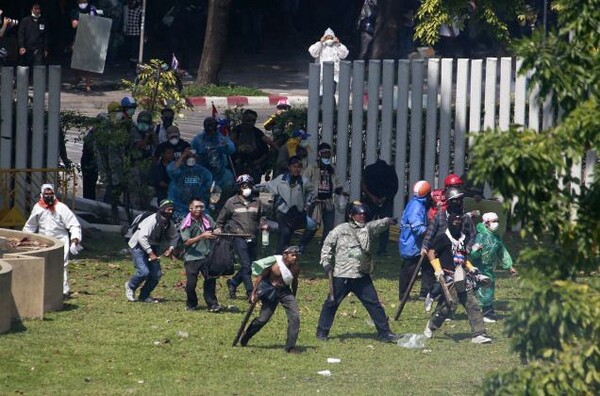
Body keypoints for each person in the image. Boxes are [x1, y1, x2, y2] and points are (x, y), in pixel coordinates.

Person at [316, 201, 400, 343]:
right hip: (342, 275)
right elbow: (327, 245)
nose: (362, 216)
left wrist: (388, 221)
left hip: (361, 275)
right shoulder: (340, 230)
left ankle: (385, 333)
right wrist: (326, 263)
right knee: (331, 303)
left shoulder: (367, 229)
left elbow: (376, 224)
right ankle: (322, 332)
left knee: (374, 304)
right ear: (351, 215)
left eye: (363, 214)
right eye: (359, 214)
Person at [423, 213, 492, 344]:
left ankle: (479, 334)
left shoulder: (463, 239)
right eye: (454, 220)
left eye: (459, 221)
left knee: (472, 303)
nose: (457, 223)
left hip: (462, 276)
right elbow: (431, 251)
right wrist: (437, 268)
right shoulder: (443, 238)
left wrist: (471, 268)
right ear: (449, 221)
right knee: (449, 306)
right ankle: (431, 325)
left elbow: (463, 258)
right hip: (449, 278)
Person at [23, 183, 82, 297]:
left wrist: (75, 239)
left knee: (61, 264)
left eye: (51, 194)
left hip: (60, 239)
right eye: (46, 194)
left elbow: (74, 224)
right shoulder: (38, 208)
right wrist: (24, 239)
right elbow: (30, 226)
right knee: (44, 264)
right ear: (42, 194)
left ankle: (63, 291)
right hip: (43, 241)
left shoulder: (61, 208)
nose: (48, 196)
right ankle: (45, 289)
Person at [240, 246, 301, 353]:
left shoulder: (295, 268)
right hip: (270, 290)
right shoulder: (275, 264)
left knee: (295, 317)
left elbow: (294, 281)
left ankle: (290, 346)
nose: (294, 258)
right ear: (285, 255)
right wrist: (254, 293)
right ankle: (247, 334)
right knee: (263, 319)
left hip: (285, 292)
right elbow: (261, 277)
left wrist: (293, 296)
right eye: (292, 255)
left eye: (296, 255)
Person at [421, 186, 476, 303]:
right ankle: (431, 296)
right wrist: (425, 247)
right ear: (450, 202)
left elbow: (472, 236)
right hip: (440, 253)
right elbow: (430, 234)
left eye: (461, 200)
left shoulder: (465, 218)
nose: (459, 203)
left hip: (457, 255)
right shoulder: (440, 216)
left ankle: (446, 307)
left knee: (455, 282)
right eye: (456, 200)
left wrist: (468, 248)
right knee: (440, 280)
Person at [215, 174, 263, 300]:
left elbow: (262, 218)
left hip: (253, 237)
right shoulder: (231, 202)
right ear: (239, 187)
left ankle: (234, 282)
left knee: (251, 265)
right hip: (238, 236)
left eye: (249, 185)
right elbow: (221, 220)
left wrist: (264, 225)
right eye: (243, 186)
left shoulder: (257, 202)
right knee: (246, 264)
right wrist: (218, 228)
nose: (246, 188)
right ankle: (250, 292)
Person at [125, 199, 178, 303]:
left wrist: (171, 248)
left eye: (172, 210)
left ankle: (144, 295)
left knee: (156, 275)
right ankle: (130, 286)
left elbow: (175, 236)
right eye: (168, 209)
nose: (170, 212)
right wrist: (151, 253)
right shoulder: (152, 220)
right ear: (162, 209)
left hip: (153, 246)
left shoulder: (169, 222)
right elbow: (141, 237)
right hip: (138, 245)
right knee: (143, 272)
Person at [469, 212, 517, 323]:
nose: (496, 223)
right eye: (493, 221)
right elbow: (471, 254)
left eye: (497, 221)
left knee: (487, 289)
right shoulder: (480, 236)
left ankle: (487, 313)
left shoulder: (496, 238)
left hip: (488, 268)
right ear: (486, 223)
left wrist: (509, 266)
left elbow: (502, 252)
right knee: (470, 290)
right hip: (476, 267)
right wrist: (477, 252)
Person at [179, 198, 223, 312]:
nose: (199, 209)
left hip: (207, 255)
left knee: (210, 280)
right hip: (192, 257)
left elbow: (215, 228)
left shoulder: (207, 218)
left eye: (201, 207)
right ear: (191, 208)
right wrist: (201, 236)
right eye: (197, 207)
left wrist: (217, 230)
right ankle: (191, 303)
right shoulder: (186, 222)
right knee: (191, 284)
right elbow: (187, 242)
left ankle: (212, 304)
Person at [264, 156, 315, 253]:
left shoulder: (304, 181)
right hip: (283, 212)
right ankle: (280, 256)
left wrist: (307, 203)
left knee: (312, 226)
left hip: (298, 212)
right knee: (285, 235)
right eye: (294, 166)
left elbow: (312, 192)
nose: (297, 169)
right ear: (289, 167)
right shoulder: (281, 179)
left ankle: (301, 246)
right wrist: (252, 187)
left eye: (299, 167)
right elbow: (267, 186)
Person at [302, 142, 343, 244]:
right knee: (312, 227)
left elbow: (337, 182)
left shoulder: (332, 168)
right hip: (316, 202)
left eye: (328, 153)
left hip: (328, 202)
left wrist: (339, 189)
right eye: (324, 153)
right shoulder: (313, 167)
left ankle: (325, 248)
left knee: (329, 228)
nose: (327, 155)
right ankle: (302, 245)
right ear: (319, 154)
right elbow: (304, 181)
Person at [398, 180, 431, 302]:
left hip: (411, 242)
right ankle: (404, 296)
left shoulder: (414, 203)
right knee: (408, 270)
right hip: (412, 244)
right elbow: (417, 227)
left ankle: (426, 291)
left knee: (427, 266)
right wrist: (430, 233)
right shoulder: (417, 206)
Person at [191, 117, 236, 201]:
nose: (211, 129)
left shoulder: (221, 138)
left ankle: (222, 206)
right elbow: (191, 154)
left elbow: (231, 149)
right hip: (204, 173)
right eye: (209, 126)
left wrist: (225, 146)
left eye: (213, 126)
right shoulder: (197, 140)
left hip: (221, 173)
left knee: (228, 185)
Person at [361, 159, 399, 256]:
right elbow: (394, 187)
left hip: (370, 200)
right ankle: (382, 249)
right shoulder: (390, 171)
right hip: (385, 201)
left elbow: (363, 185)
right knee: (385, 225)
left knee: (364, 225)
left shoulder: (369, 169)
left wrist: (372, 197)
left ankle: (362, 246)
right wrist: (385, 198)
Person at [166, 148, 213, 220]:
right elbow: (171, 170)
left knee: (207, 218)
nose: (191, 158)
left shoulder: (203, 171)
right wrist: (183, 156)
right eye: (188, 156)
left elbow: (208, 185)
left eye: (193, 156)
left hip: (195, 206)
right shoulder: (178, 169)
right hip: (178, 207)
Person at [230, 109, 274, 183]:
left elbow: (268, 146)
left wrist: (257, 162)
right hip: (238, 164)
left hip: (254, 165)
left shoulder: (257, 133)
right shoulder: (236, 131)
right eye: (248, 120)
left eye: (253, 120)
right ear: (243, 119)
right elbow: (230, 145)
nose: (250, 123)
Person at [308, 27, 349, 93]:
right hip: (321, 73)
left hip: (333, 74)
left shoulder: (336, 46)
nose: (329, 40)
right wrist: (320, 42)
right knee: (321, 92)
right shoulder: (320, 45)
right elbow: (313, 52)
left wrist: (339, 44)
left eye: (331, 38)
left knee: (331, 92)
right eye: (327, 38)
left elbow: (344, 55)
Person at [70, 0, 98, 91]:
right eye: (81, 1)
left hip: (90, 39)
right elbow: (74, 25)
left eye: (84, 1)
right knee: (75, 61)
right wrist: (85, 20)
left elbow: (96, 23)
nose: (83, 3)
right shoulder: (75, 11)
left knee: (88, 63)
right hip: (78, 37)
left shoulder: (92, 10)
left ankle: (88, 84)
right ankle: (77, 78)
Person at [122, 0, 142, 69]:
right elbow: (124, 19)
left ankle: (132, 67)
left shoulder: (140, 9)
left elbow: (141, 21)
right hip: (127, 32)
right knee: (128, 50)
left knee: (133, 51)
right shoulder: (126, 8)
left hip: (136, 33)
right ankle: (128, 66)